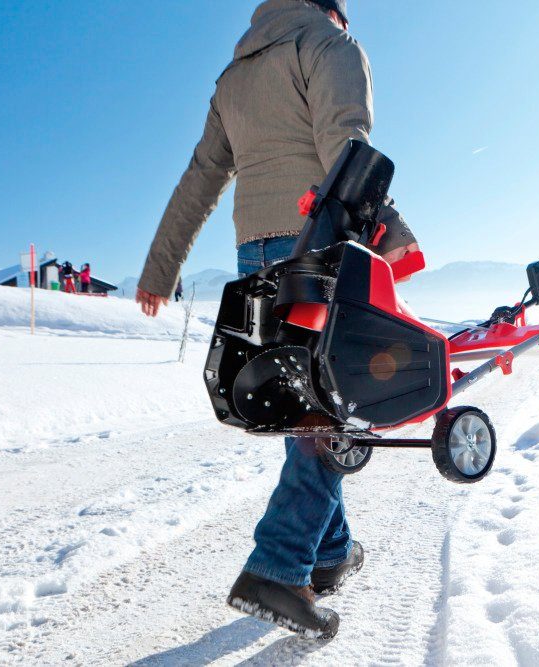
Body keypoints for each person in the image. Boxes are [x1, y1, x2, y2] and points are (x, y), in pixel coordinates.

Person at [134, 0, 418, 639]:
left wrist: (160, 270)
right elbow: (345, 144)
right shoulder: (328, 44)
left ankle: (330, 551)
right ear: (332, 9)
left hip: (255, 255)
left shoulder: (233, 77)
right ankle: (279, 568)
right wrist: (392, 227)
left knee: (307, 407)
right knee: (330, 404)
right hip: (319, 242)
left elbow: (200, 179)